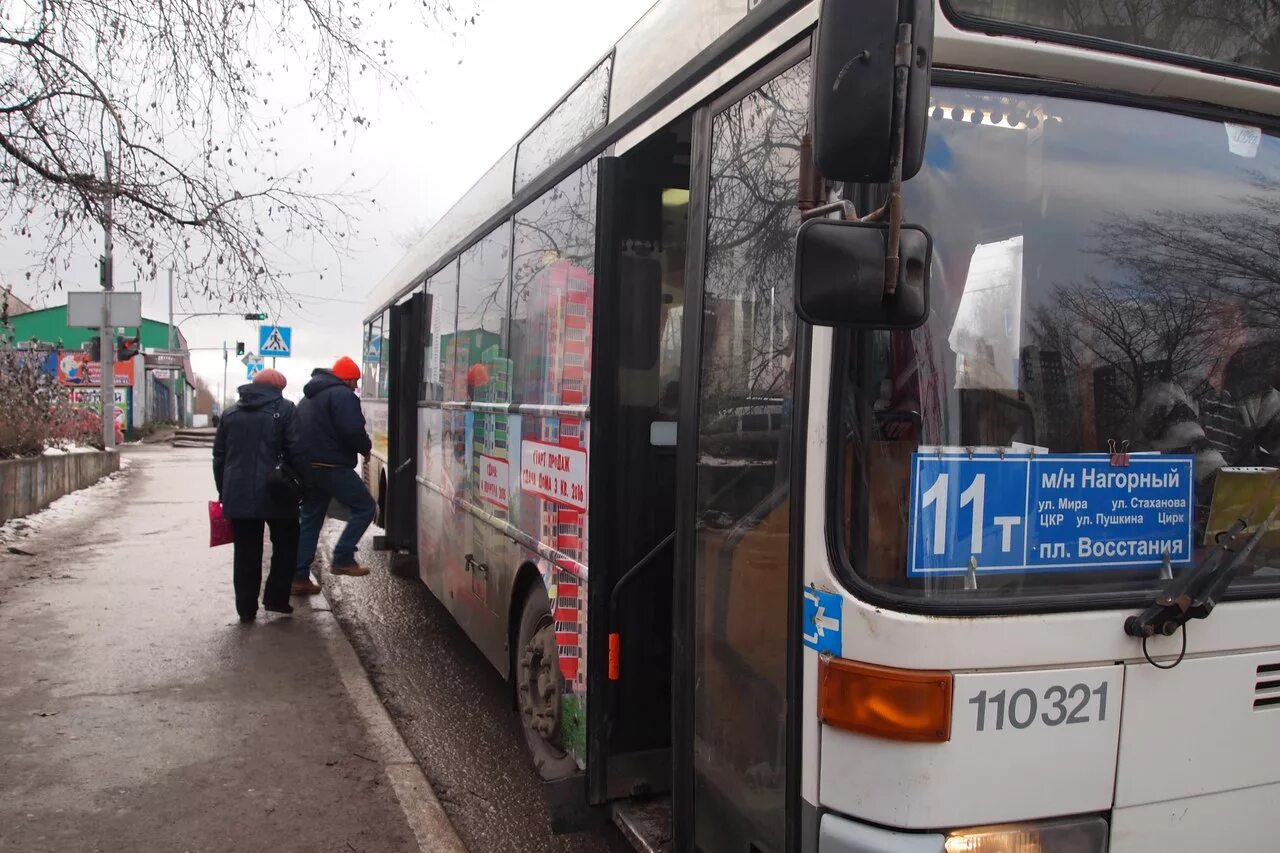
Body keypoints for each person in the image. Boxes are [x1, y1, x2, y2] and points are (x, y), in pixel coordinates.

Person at [212, 369, 308, 623]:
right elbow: (297, 451)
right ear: (278, 388)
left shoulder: (230, 413)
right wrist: (303, 484)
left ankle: (246, 609)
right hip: (277, 491)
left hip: (238, 492)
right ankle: (276, 599)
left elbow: (219, 456)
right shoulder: (285, 409)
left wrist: (224, 489)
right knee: (287, 543)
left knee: (246, 551)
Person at [294, 356, 376, 592]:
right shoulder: (342, 395)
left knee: (310, 519)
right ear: (349, 380)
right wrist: (365, 449)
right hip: (333, 467)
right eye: (355, 382)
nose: (355, 387)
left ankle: (299, 577)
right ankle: (342, 558)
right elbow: (352, 429)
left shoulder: (308, 397)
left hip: (309, 468)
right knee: (365, 507)